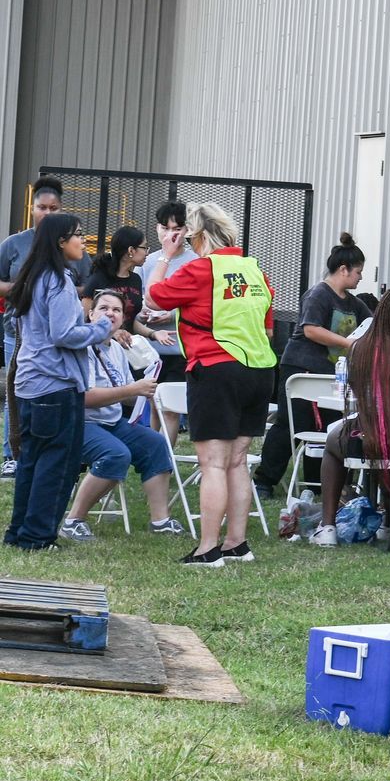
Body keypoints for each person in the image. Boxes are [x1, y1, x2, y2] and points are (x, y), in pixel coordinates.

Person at [147, 201, 277, 569]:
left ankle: (208, 549)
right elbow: (267, 329)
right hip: (259, 369)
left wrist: (165, 257)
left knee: (213, 463)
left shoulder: (201, 268)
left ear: (198, 235)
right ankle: (237, 543)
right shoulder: (255, 271)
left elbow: (154, 295)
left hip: (216, 369)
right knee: (238, 462)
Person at [4, 212, 113, 552]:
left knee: (32, 462)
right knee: (57, 466)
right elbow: (64, 333)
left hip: (31, 385)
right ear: (60, 242)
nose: (84, 241)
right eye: (78, 235)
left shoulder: (34, 276)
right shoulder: (58, 279)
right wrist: (101, 328)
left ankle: (20, 532)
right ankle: (37, 537)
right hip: (55, 385)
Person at [311, 287, 390, 549]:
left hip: (369, 436)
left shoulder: (362, 349)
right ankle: (387, 520)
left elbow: (358, 395)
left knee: (332, 444)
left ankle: (327, 526)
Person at [61, 288, 187, 540]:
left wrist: (145, 391)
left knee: (155, 444)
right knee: (116, 454)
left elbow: (125, 394)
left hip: (110, 421)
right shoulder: (81, 347)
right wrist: (131, 389)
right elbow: (83, 397)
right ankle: (73, 520)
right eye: (104, 308)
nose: (110, 313)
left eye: (116, 310)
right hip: (79, 423)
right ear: (90, 314)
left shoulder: (117, 349)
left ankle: (160, 520)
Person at [256, 233, 372, 494]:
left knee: (329, 428)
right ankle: (264, 480)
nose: (360, 277)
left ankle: (319, 483)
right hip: (301, 370)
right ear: (343, 270)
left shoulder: (355, 304)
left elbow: (372, 324)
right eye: (358, 272)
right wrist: (349, 344)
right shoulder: (318, 295)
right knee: (291, 424)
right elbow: (311, 330)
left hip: (333, 378)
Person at [0, 177, 68, 477]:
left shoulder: (70, 244)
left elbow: (84, 286)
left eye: (54, 208)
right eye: (42, 207)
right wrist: (21, 287)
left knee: (51, 397)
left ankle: (49, 455)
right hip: (17, 334)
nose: (48, 213)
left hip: (59, 337)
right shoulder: (14, 244)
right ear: (32, 209)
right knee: (15, 395)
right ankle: (12, 455)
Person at [139, 200, 195, 441]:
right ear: (157, 228)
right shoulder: (149, 260)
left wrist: (171, 314)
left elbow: (198, 302)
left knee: (170, 408)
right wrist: (144, 311)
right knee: (154, 404)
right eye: (165, 228)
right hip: (150, 347)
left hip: (180, 347)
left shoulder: (195, 260)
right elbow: (141, 295)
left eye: (177, 229)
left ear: (188, 230)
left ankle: (166, 463)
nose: (170, 234)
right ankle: (155, 456)